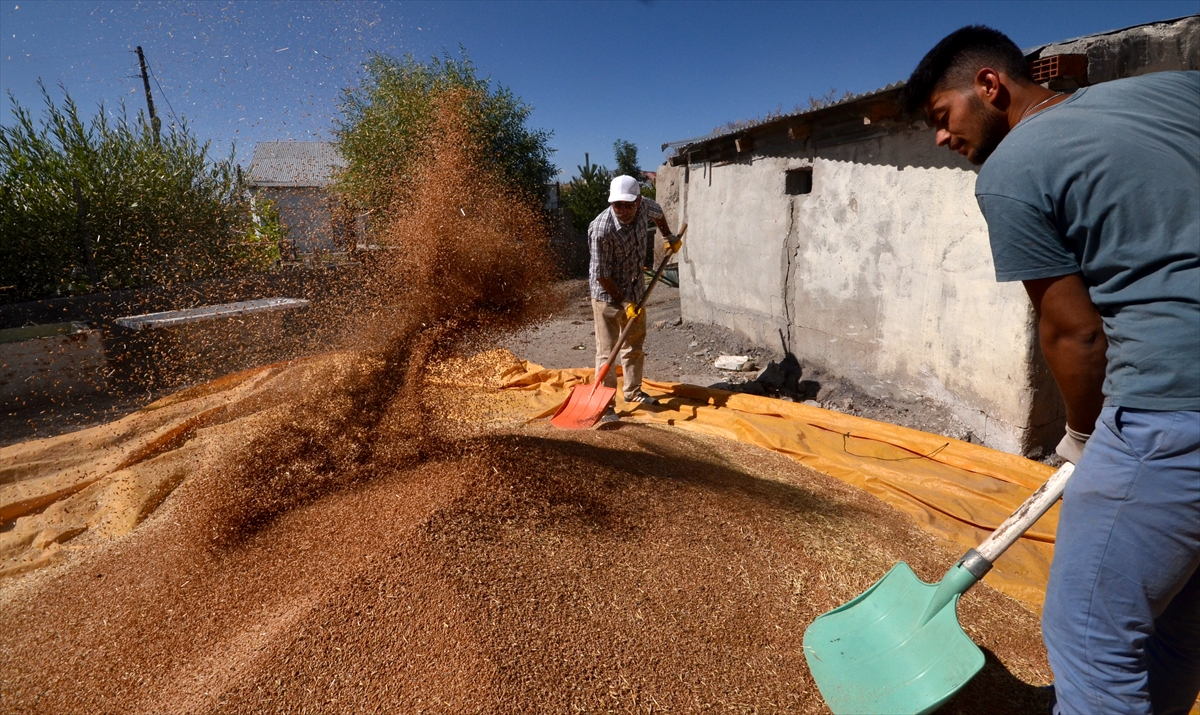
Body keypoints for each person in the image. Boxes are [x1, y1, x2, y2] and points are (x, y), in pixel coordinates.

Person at [904, 26, 1199, 715]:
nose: (940, 141)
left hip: (1171, 408)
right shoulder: (1173, 92)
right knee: (1178, 619)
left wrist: (1085, 434)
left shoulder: (1013, 169)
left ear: (989, 86)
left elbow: (1074, 330)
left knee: (1089, 632)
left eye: (941, 118)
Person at [588, 174, 679, 418]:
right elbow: (602, 275)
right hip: (606, 294)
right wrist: (625, 302)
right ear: (611, 203)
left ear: (638, 201)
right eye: (618, 205)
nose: (624, 210)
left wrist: (668, 237)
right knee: (607, 352)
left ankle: (633, 390)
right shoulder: (601, 229)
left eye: (629, 204)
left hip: (636, 288)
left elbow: (659, 213)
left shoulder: (646, 206)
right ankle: (606, 404)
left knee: (634, 344)